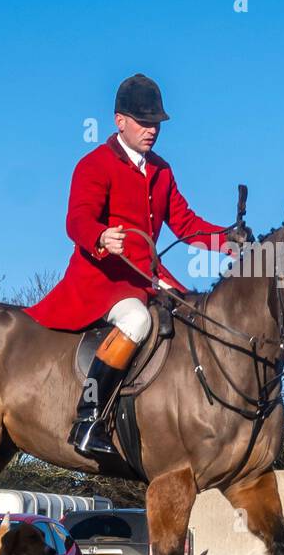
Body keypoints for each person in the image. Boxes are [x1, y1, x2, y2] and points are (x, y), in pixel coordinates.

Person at [25, 74, 242, 456]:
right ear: (119, 120)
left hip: (149, 277)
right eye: (144, 122)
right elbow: (76, 220)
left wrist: (224, 241)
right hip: (102, 278)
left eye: (156, 123)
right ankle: (88, 421)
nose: (152, 130)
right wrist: (100, 237)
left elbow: (186, 224)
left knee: (194, 314)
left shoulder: (162, 170)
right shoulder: (94, 164)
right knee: (137, 321)